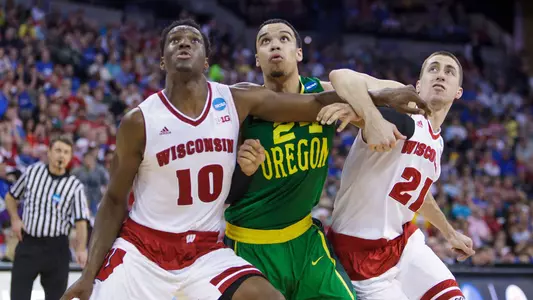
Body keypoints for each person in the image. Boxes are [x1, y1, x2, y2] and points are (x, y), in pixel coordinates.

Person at [60, 18, 380, 300]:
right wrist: (89, 273)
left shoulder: (234, 101)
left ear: (206, 61)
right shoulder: (139, 121)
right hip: (144, 250)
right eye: (175, 40)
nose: (184, 43)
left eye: (194, 40)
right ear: (162, 60)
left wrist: (384, 101)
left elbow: (312, 103)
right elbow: (114, 200)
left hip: (204, 251)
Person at [223, 18, 431, 300]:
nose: (275, 44)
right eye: (265, 41)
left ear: (299, 53)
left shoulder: (322, 93)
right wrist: (244, 170)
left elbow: (402, 112)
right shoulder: (243, 101)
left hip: (304, 240)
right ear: (257, 59)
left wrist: (361, 112)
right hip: (251, 245)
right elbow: (224, 194)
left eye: (284, 38)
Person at [321, 51, 476, 300]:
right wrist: (367, 115)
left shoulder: (438, 144)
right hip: (359, 252)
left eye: (450, 72)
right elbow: (341, 77)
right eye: (433, 69)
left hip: (403, 242)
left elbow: (418, 196)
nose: (441, 75)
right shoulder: (401, 110)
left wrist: (450, 233)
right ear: (417, 85)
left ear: (458, 91)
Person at [6, 135, 89, 300]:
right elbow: (11, 196)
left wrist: (80, 249)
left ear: (70, 157)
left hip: (56, 248)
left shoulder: (75, 186)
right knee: (18, 295)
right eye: (58, 150)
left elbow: (81, 221)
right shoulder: (33, 172)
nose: (61, 155)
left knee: (56, 297)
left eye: (66, 152)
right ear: (49, 152)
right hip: (29, 243)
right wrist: (15, 219)